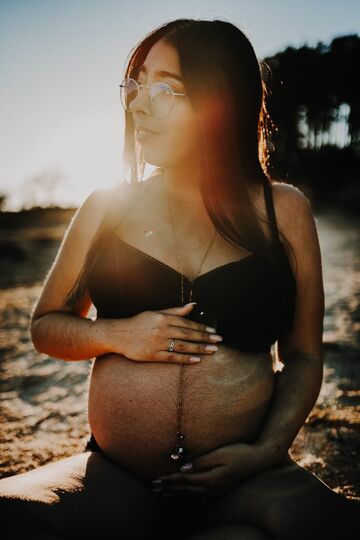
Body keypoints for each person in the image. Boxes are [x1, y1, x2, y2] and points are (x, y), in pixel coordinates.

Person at [0, 17, 358, 540]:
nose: (138, 104)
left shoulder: (283, 211)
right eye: (135, 85)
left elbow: (303, 355)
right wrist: (117, 334)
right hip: (113, 477)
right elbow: (46, 326)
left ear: (222, 101)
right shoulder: (106, 207)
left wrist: (265, 451)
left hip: (243, 480)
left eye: (165, 88)